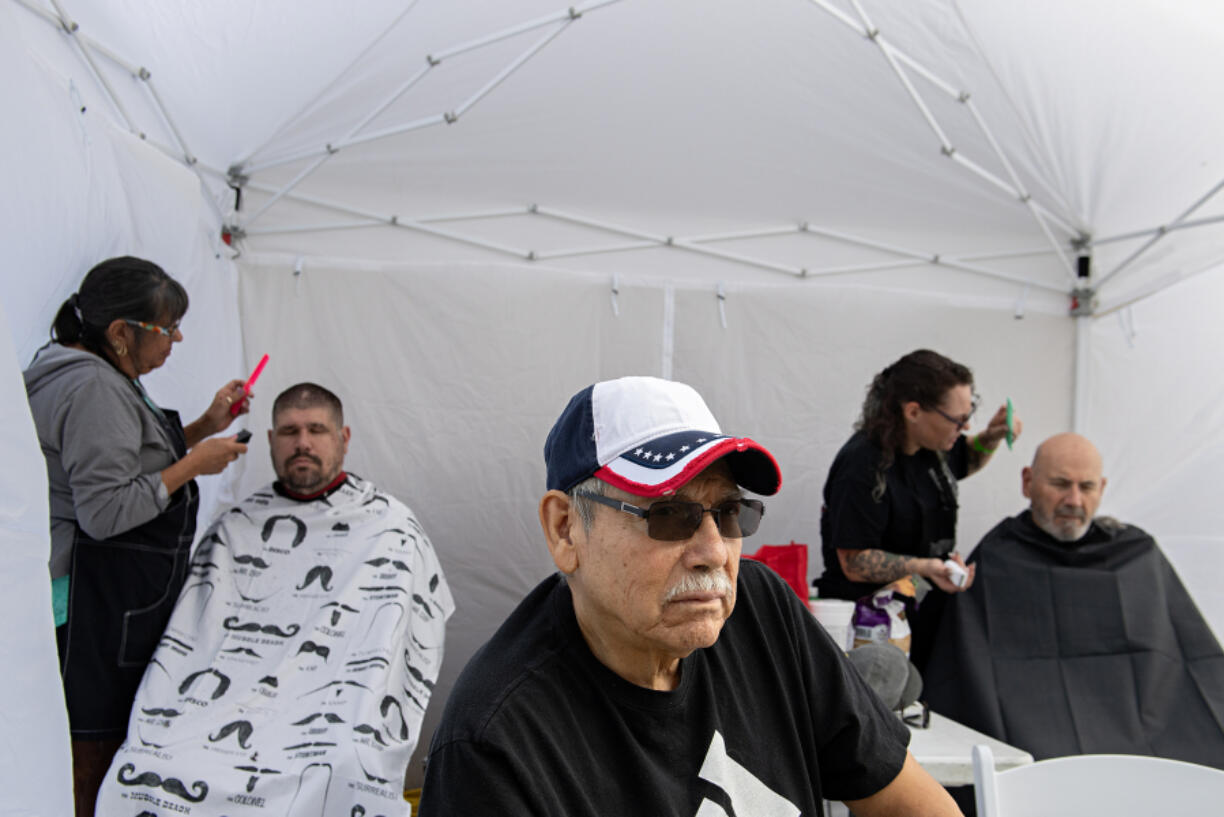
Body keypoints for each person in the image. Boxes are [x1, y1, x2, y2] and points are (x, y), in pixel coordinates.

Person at [419, 376, 961, 816]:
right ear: (565, 530)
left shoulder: (759, 606)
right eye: (669, 515)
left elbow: (906, 800)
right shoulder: (495, 743)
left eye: (728, 513)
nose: (714, 551)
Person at [96, 382, 455, 816]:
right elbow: (190, 643)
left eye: (316, 430)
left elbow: (400, 650)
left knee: (347, 769)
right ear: (269, 441)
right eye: (289, 432)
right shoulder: (235, 528)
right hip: (219, 708)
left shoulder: (390, 528)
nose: (302, 443)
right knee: (144, 762)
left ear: (343, 440)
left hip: (330, 714)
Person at [23, 256, 249, 813]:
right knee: (90, 757)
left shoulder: (89, 370)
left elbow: (127, 459)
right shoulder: (93, 388)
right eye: (165, 328)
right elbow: (105, 510)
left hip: (103, 597)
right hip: (90, 605)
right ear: (121, 333)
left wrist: (203, 426)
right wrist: (194, 462)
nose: (175, 340)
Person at [924, 433, 1224, 769]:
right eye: (1060, 484)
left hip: (1143, 740)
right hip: (1032, 745)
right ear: (1027, 482)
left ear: (1103, 488)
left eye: (1087, 487)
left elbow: (1192, 659)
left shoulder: (1135, 554)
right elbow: (960, 667)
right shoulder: (997, 557)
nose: (1074, 500)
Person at [816, 349, 1021, 672]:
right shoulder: (862, 466)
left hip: (919, 611)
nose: (965, 427)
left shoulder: (931, 449)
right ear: (913, 411)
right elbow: (854, 562)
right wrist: (927, 567)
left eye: (969, 414)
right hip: (870, 629)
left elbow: (965, 460)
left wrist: (992, 438)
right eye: (957, 419)